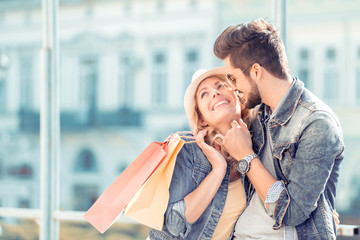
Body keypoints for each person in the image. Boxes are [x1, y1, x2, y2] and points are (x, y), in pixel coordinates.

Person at [213, 19, 344, 239]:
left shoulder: (317, 123)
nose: (233, 88)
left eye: (234, 78)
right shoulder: (257, 116)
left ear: (256, 71)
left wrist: (247, 157)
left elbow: (292, 211)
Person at [148, 67, 252, 240]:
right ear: (202, 118)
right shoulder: (187, 147)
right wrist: (218, 169)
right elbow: (174, 225)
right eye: (204, 94)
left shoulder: (256, 146)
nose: (215, 93)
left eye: (220, 86)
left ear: (238, 99)